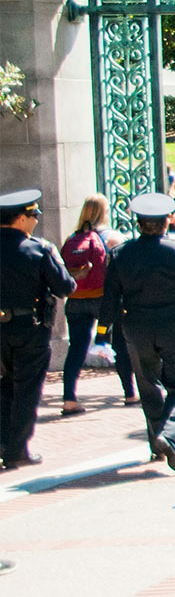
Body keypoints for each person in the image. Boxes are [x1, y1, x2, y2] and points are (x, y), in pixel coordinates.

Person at [102, 192, 175, 473]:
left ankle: (157, 443)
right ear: (167, 223)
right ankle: (170, 435)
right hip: (174, 324)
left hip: (137, 326)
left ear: (139, 224)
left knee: (148, 384)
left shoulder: (120, 254)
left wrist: (104, 332)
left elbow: (110, 298)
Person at [0, 190, 75, 469]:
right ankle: (17, 450)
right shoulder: (38, 249)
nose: (35, 221)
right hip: (29, 328)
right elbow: (65, 287)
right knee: (27, 390)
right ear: (20, 218)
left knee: (4, 387)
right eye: (33, 215)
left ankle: (3, 442)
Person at [58, 194, 117, 417]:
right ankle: (130, 392)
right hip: (100, 299)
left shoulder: (72, 238)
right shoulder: (109, 236)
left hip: (75, 300)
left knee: (76, 350)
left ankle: (69, 399)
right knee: (116, 341)